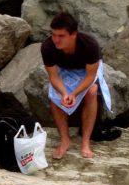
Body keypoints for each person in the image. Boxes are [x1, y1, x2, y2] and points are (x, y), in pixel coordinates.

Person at [42, 11, 111, 160]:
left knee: (92, 91)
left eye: (61, 36)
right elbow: (53, 76)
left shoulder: (90, 45)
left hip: (85, 69)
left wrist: (74, 94)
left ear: (73, 35)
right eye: (54, 35)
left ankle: (85, 142)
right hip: (64, 68)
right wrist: (64, 93)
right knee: (55, 95)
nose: (56, 40)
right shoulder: (47, 47)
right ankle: (65, 140)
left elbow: (90, 76)